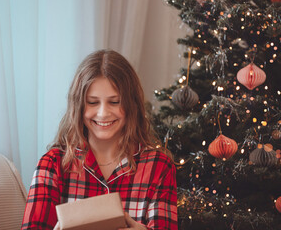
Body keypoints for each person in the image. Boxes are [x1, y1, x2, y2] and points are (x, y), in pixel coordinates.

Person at [21, 49, 178, 230]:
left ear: (131, 104)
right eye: (93, 102)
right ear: (78, 106)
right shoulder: (53, 164)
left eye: (114, 102)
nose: (103, 113)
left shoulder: (159, 167)